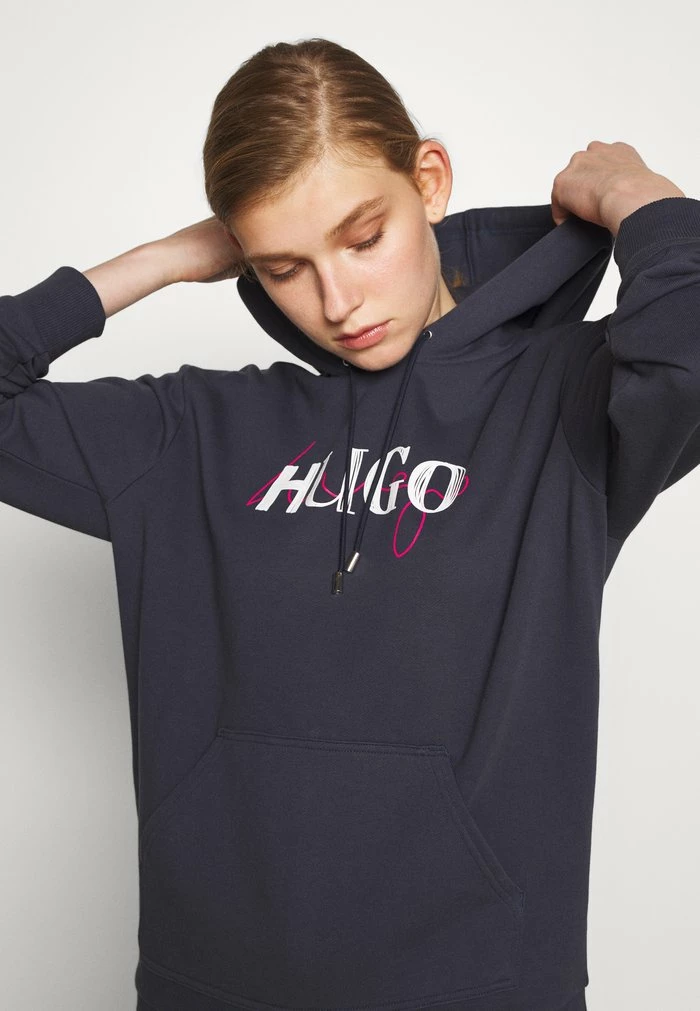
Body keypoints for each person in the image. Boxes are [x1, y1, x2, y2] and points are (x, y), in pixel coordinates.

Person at [1, 36, 698, 1011]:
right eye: (285, 265)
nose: (338, 301)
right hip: (212, 982)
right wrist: (165, 259)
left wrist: (639, 196)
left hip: (482, 983)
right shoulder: (193, 431)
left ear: (430, 182)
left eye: (363, 237)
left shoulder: (564, 404)